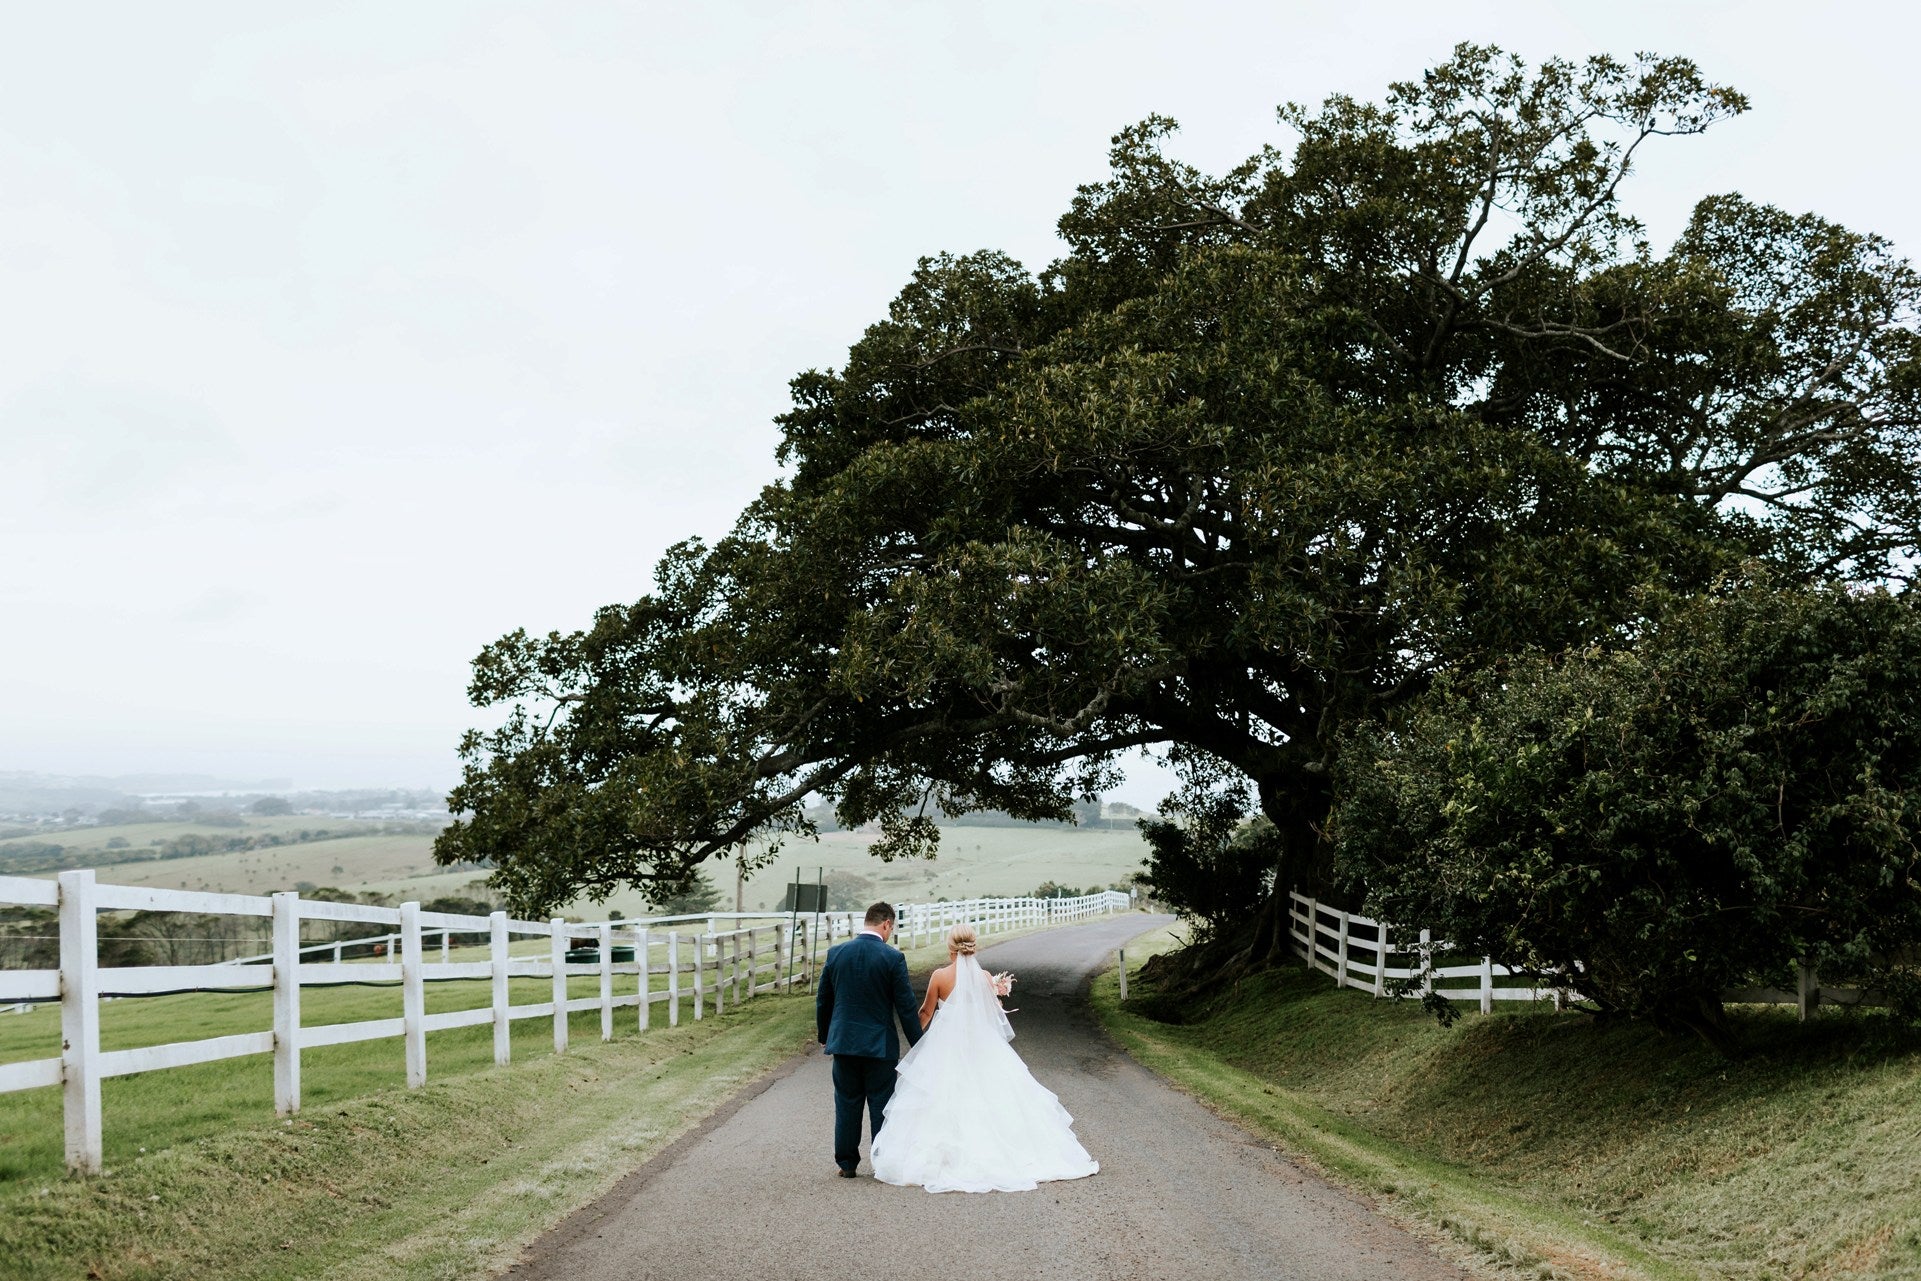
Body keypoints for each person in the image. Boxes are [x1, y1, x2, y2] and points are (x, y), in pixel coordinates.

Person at [870, 924, 1099, 1193]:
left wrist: (916, 1045)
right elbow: (991, 1016)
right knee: (996, 1095)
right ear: (972, 946)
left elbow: (925, 1012)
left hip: (948, 1047)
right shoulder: (985, 977)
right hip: (982, 1046)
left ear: (950, 947)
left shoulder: (940, 976)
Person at [814, 901, 922, 1178]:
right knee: (881, 1104)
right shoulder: (892, 958)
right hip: (879, 1046)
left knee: (847, 1102)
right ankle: (881, 1162)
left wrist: (825, 1035)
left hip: (844, 1043)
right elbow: (906, 1008)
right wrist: (919, 1044)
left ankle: (847, 1164)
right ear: (886, 924)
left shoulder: (836, 954)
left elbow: (824, 1000)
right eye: (892, 927)